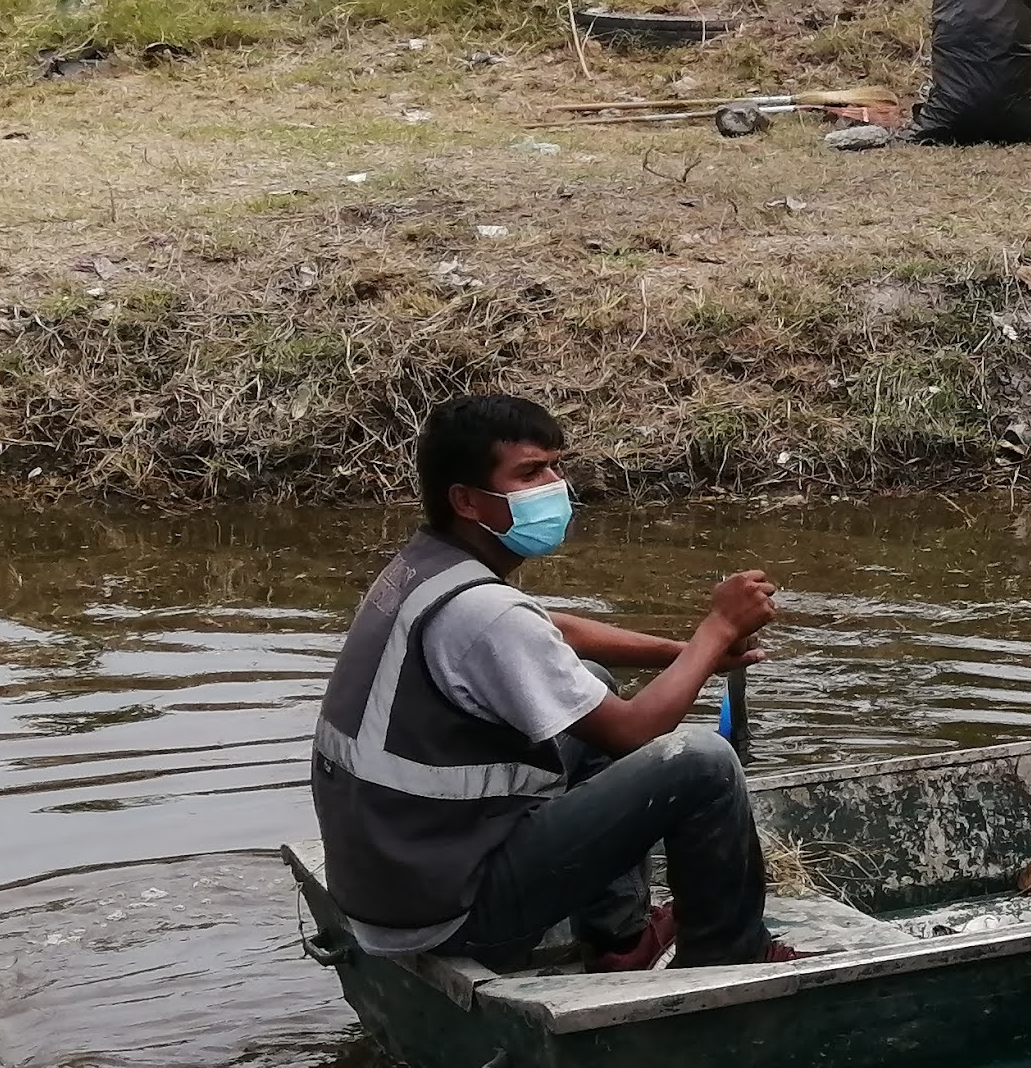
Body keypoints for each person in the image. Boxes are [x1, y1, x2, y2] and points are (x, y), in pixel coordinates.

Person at [312, 391, 790, 971]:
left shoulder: (424, 567)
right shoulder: (483, 611)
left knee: (587, 681)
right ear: (465, 499)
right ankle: (729, 959)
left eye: (556, 465)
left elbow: (549, 631)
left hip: (396, 882)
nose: (555, 485)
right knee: (703, 762)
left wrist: (689, 652)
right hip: (453, 914)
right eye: (530, 472)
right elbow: (635, 733)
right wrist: (717, 628)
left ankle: (620, 938)